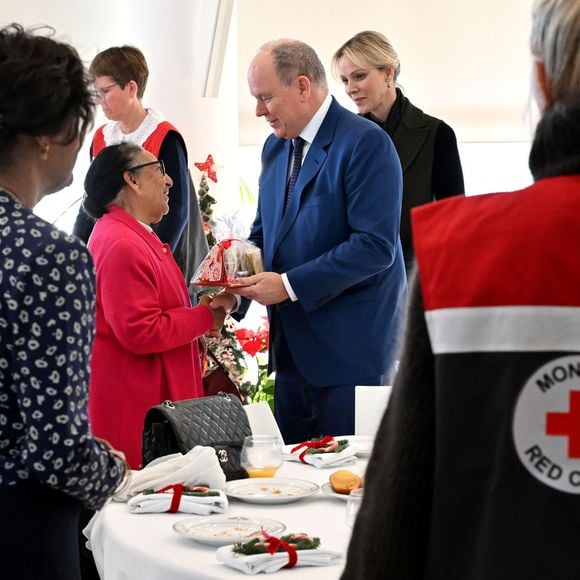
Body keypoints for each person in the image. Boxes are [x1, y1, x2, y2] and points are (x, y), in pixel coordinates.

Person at [341, 1, 580, 578]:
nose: (350, 89)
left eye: (359, 76)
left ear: (542, 79)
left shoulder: (462, 249)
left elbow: (398, 514)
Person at [228, 39, 406, 444]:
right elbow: (263, 233)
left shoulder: (366, 143)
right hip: (292, 355)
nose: (258, 111)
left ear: (303, 86)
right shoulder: (275, 147)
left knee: (352, 487)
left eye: (266, 98)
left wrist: (288, 286)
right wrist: (234, 288)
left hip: (351, 354)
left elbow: (375, 247)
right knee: (291, 485)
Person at [0, 23, 128, 580]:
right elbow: (56, 450)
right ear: (48, 135)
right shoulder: (49, 255)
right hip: (19, 526)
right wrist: (116, 471)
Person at [83, 142, 235, 469]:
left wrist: (205, 313)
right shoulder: (121, 242)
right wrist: (205, 316)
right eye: (159, 170)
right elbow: (141, 330)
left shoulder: (134, 235)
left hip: (157, 406)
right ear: (132, 181)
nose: (169, 181)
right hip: (140, 415)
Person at [332, 31, 465, 273]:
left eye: (359, 76)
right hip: (357, 280)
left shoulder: (437, 134)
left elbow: (454, 221)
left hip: (417, 279)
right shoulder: (342, 139)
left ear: (388, 73)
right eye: (344, 80)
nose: (350, 89)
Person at [72, 45, 207, 282]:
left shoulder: (164, 136)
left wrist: (155, 262)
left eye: (105, 91)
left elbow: (176, 211)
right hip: (109, 247)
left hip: (147, 254)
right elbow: (91, 200)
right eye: (97, 93)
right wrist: (77, 252)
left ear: (131, 87)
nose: (99, 100)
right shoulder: (102, 137)